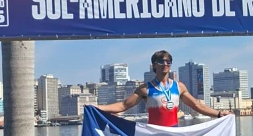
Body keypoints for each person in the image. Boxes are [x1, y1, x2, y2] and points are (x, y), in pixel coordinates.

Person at [96, 49, 231, 126]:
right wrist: (96, 108)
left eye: (168, 61)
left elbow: (197, 105)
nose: (165, 64)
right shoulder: (145, 89)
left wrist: (219, 114)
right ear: (154, 65)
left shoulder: (179, 87)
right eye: (161, 61)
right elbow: (123, 105)